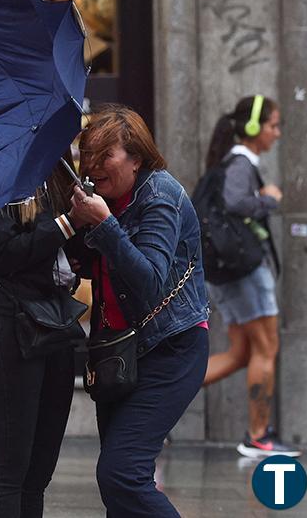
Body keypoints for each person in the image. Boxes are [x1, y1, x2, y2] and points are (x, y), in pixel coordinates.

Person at [67, 105, 209, 517]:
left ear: (136, 157)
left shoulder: (160, 195)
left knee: (121, 474)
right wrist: (78, 225)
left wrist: (103, 224)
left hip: (171, 348)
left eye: (104, 155)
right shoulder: (103, 198)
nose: (92, 165)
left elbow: (149, 282)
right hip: (118, 352)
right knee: (120, 489)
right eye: (86, 154)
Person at [0, 157, 82, 518]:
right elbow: (2, 253)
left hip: (54, 329)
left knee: (37, 475)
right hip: (5, 330)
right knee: (8, 472)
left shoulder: (52, 169)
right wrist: (66, 224)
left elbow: (56, 249)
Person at [200, 95, 299, 458]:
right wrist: (269, 199)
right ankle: (258, 436)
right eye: (274, 125)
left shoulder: (232, 162)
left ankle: (159, 391)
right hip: (245, 273)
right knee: (266, 348)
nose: (277, 133)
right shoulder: (241, 163)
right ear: (254, 128)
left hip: (230, 273)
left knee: (242, 353)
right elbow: (236, 202)